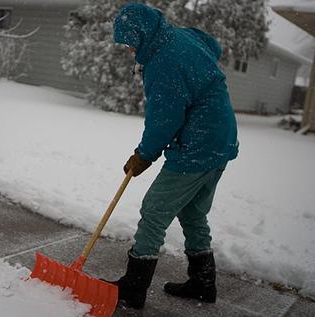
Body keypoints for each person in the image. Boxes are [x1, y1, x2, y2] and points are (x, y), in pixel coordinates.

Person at [108, 3, 239, 309]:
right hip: (222, 138)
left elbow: (164, 119)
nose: (129, 50)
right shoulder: (180, 37)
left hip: (199, 143)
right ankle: (203, 283)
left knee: (154, 210)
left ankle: (133, 289)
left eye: (130, 42)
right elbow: (212, 46)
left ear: (142, 35)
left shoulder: (162, 63)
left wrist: (144, 155)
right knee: (193, 213)